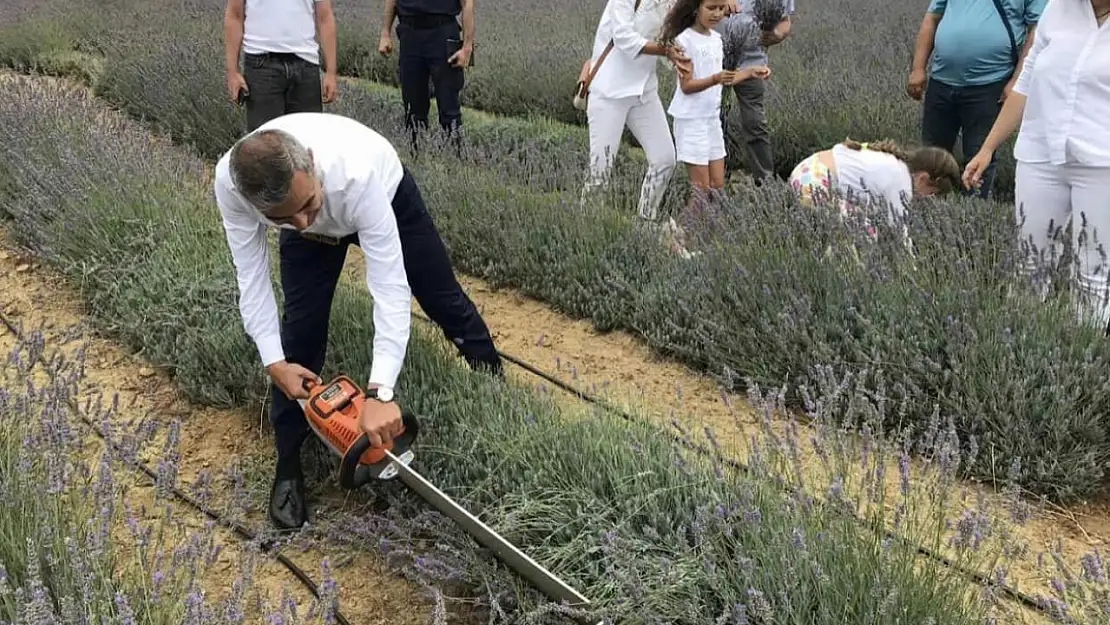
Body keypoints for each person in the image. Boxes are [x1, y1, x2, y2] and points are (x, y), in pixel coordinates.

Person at [213, 112, 504, 530]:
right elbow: (252, 275)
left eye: (307, 205)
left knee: (442, 299)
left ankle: (492, 382)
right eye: (282, 220)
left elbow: (389, 286)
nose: (301, 223)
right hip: (316, 213)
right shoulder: (232, 184)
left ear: (310, 163)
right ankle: (289, 466)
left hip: (386, 197)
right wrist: (273, 361)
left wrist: (380, 391)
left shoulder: (357, 174)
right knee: (300, 335)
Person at [962, 0, 1110, 331]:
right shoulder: (1058, 9)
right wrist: (988, 147)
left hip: (1103, 164)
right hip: (1041, 155)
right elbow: (1025, 82)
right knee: (1031, 263)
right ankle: (1021, 353)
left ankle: (1080, 366)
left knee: (1094, 272)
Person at [660, 0, 771, 256]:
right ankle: (673, 237)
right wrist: (714, 79)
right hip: (691, 121)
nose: (717, 14)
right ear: (696, 8)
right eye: (711, 8)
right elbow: (687, 86)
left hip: (711, 121)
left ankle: (699, 242)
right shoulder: (684, 41)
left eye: (722, 9)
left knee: (718, 191)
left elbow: (724, 79)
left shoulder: (716, 40)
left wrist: (751, 72)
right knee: (701, 194)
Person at [907, 0, 1046, 199]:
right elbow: (932, 18)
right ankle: (926, 211)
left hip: (989, 85)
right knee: (929, 159)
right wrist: (918, 68)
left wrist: (1017, 79)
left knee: (979, 158)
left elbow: (1038, 31)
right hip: (941, 82)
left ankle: (971, 212)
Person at [578, 0, 695, 225]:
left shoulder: (669, 3)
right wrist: (667, 51)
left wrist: (679, 58)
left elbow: (666, 38)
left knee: (665, 159)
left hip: (643, 93)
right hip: (608, 92)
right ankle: (587, 229)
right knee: (600, 171)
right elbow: (624, 39)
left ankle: (644, 222)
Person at [788, 139, 961, 239]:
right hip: (814, 184)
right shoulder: (900, 181)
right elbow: (898, 231)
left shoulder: (894, 161)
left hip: (807, 170)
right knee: (863, 237)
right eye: (931, 194)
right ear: (923, 177)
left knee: (862, 222)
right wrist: (911, 271)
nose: (926, 199)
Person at [223, 0, 339, 133]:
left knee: (306, 141)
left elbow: (325, 17)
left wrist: (331, 73)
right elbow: (234, 15)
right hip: (261, 65)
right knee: (264, 144)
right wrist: (233, 72)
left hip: (306, 64)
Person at [715, 0, 794, 186]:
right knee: (713, 119)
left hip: (752, 61)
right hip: (712, 57)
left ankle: (765, 183)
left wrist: (775, 35)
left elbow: (785, 21)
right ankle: (718, 179)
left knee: (754, 123)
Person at [377, 0, 474, 149]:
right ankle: (416, 157)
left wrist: (467, 47)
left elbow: (467, 3)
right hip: (410, 35)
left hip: (443, 33)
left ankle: (454, 160)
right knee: (413, 107)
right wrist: (385, 33)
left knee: (449, 108)